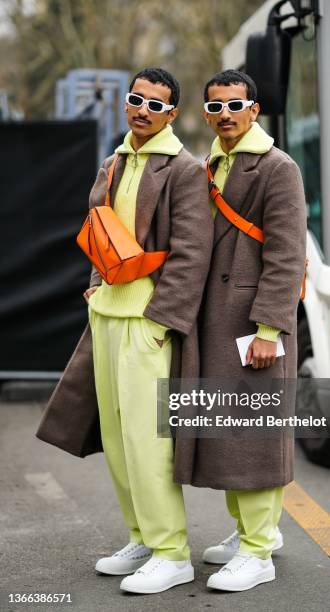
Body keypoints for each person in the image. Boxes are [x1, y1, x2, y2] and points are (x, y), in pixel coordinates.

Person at [58, 67, 213, 595]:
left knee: (149, 443)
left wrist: (163, 322)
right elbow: (100, 229)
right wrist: (96, 282)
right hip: (105, 315)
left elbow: (192, 256)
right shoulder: (115, 161)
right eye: (136, 99)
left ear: (172, 113)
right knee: (118, 440)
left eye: (156, 103)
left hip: (147, 321)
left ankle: (173, 553)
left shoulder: (185, 169)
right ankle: (142, 538)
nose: (142, 109)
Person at [173, 69, 307, 592]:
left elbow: (287, 253)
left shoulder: (279, 167)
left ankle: (258, 549)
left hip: (254, 324)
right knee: (229, 432)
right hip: (215, 318)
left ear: (255, 109)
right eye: (216, 107)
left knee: (254, 434)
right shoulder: (213, 162)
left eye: (235, 105)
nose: (225, 114)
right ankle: (252, 532)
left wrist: (270, 329)